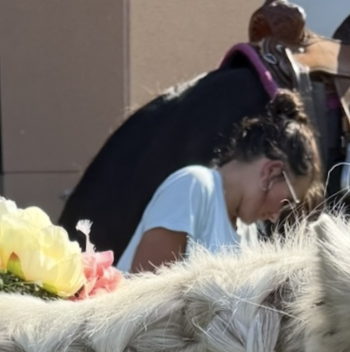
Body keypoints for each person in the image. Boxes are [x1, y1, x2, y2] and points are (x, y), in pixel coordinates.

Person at [116, 91, 321, 273]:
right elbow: (147, 300)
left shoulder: (248, 232)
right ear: (271, 171)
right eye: (287, 202)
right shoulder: (194, 187)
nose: (276, 217)